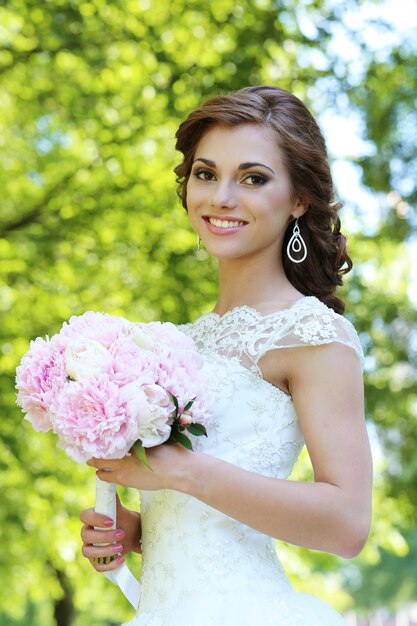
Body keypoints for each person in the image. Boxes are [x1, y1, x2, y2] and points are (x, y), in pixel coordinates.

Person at [80, 85, 373, 625]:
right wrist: (132, 532)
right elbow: (201, 512)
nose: (220, 197)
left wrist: (176, 470)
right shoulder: (178, 344)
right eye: (206, 173)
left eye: (254, 178)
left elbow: (348, 523)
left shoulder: (312, 334)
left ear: (299, 199)